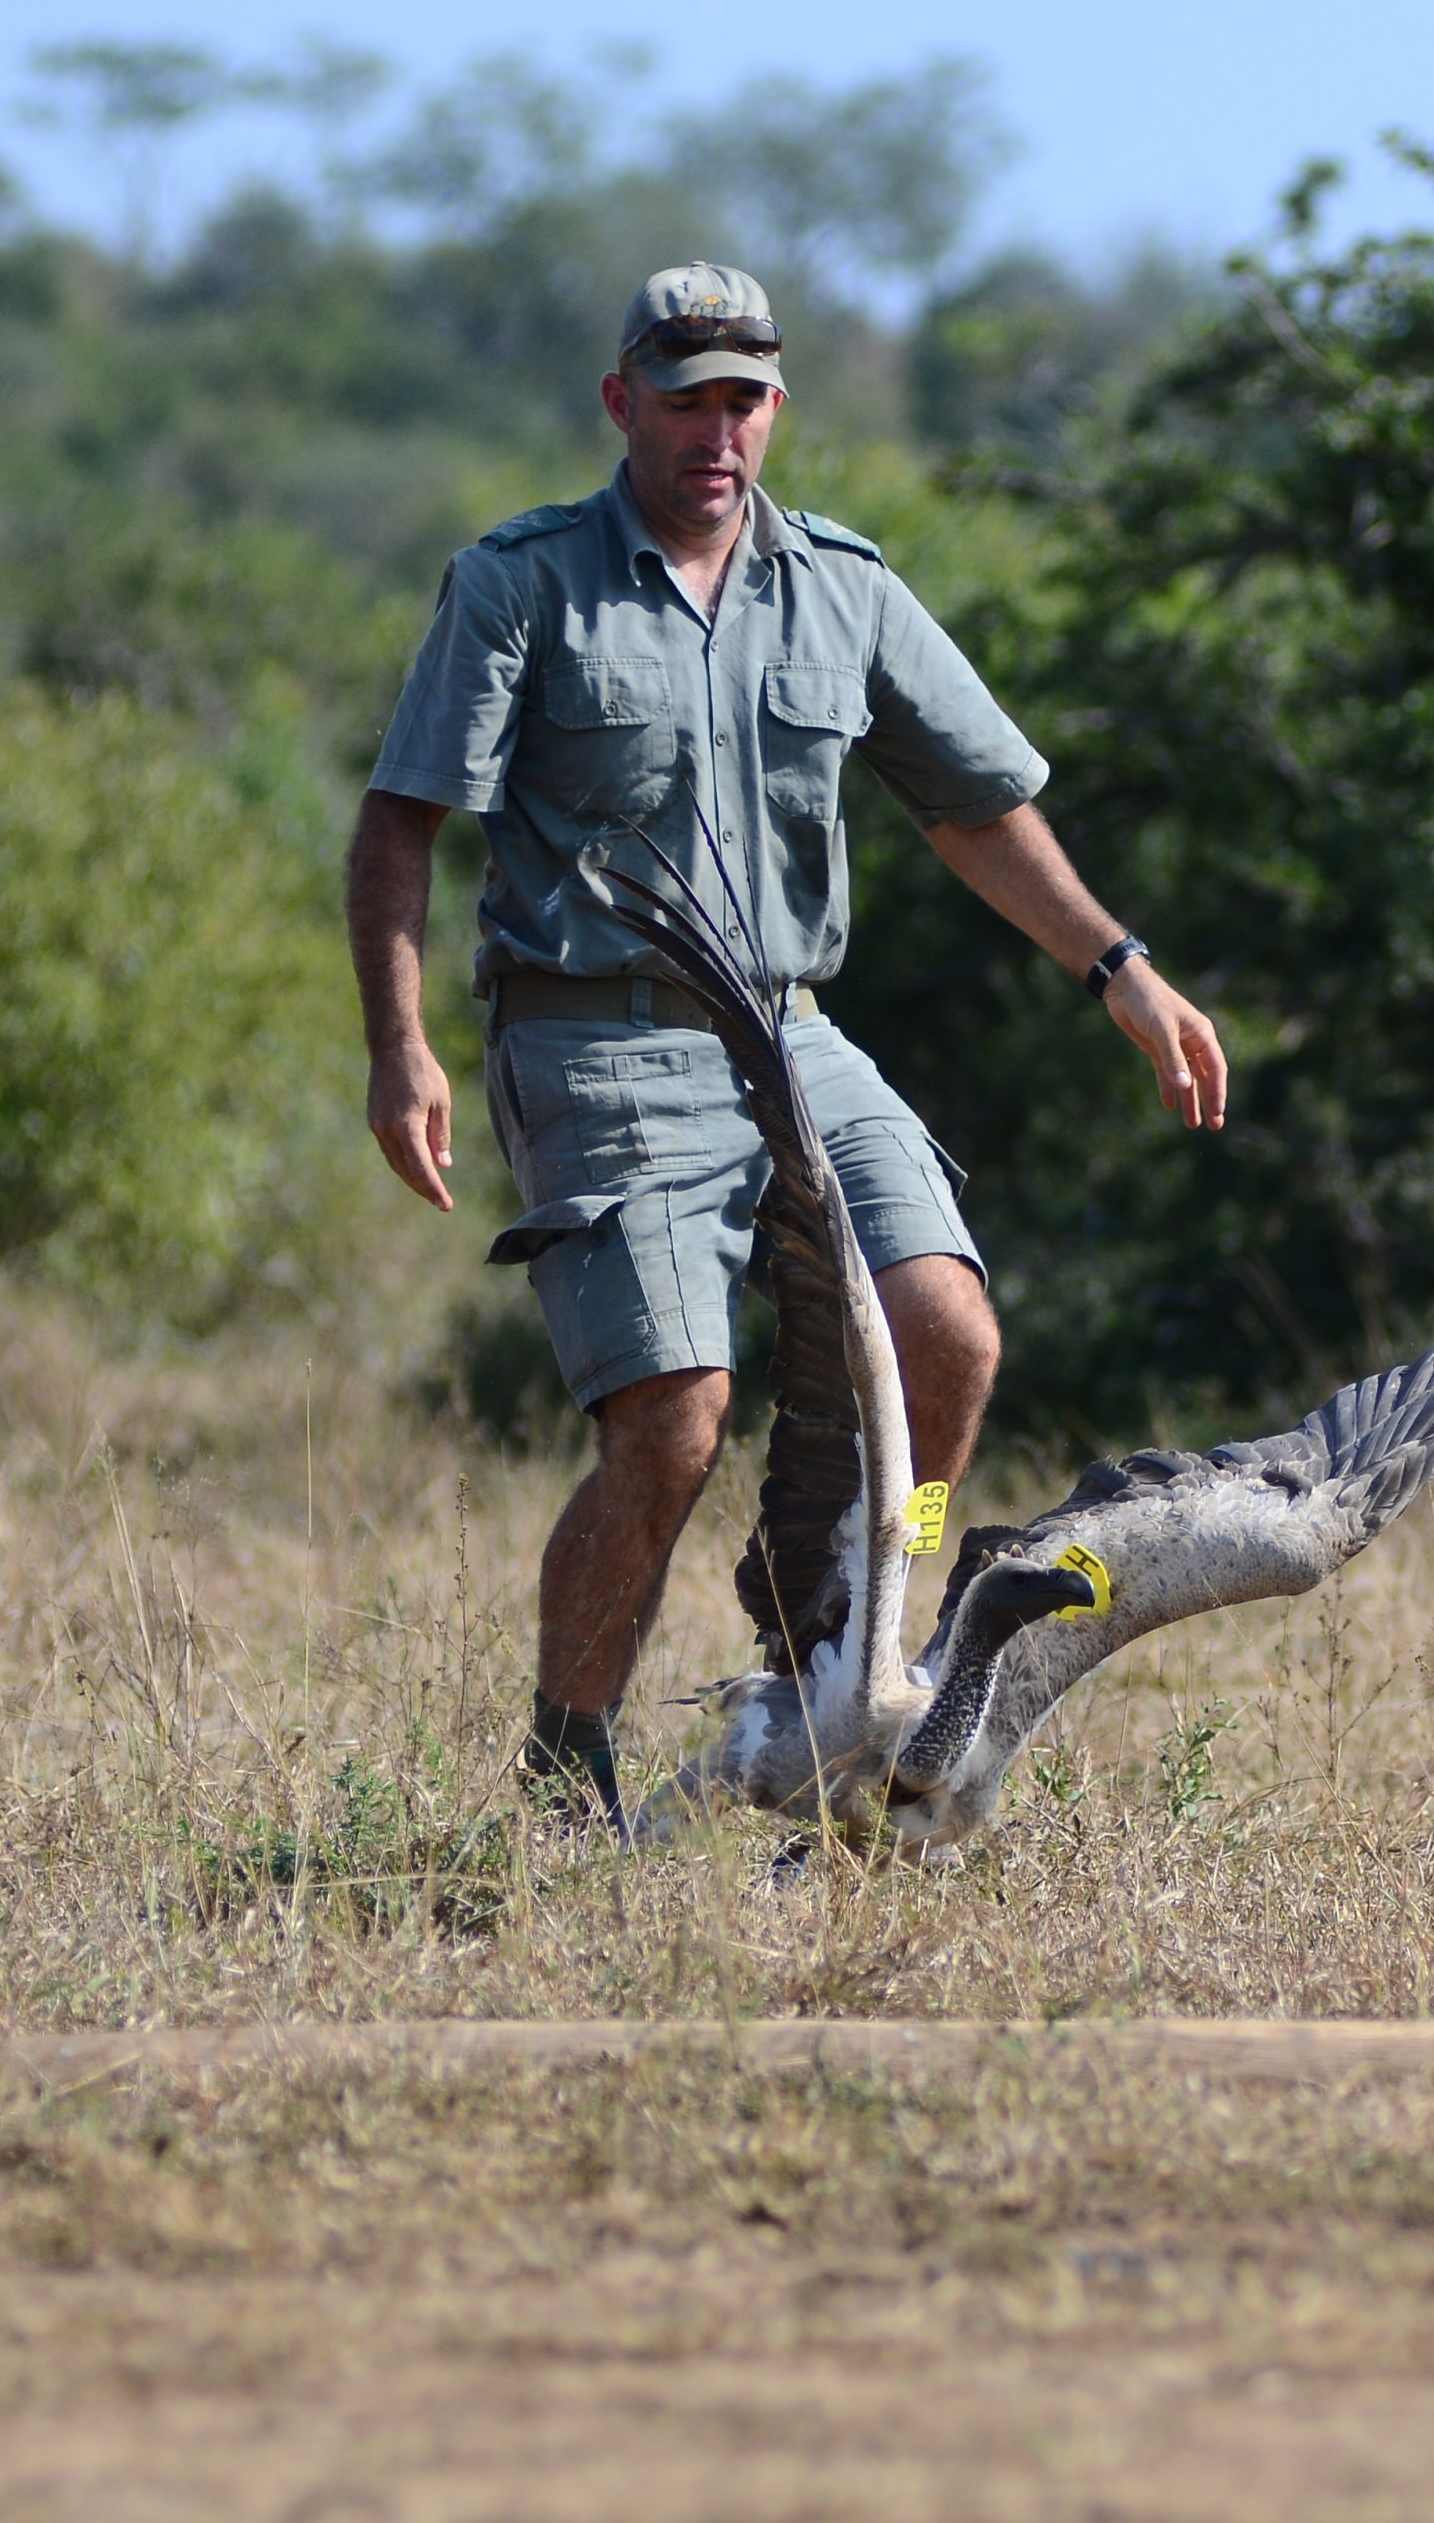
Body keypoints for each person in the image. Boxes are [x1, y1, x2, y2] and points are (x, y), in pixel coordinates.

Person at [346, 261, 1228, 1821]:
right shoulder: (521, 584)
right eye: (684, 394)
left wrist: (1125, 972)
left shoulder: (843, 587)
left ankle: (856, 1642)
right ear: (624, 402)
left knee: (952, 1337)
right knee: (673, 1423)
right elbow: (403, 823)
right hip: (599, 1038)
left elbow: (976, 807)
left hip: (792, 1030)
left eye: (745, 395)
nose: (717, 426)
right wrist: (399, 1045)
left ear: (777, 409)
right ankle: (566, 1768)